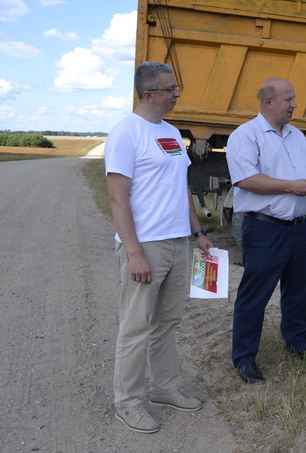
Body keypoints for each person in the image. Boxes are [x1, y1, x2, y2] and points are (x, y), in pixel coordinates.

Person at [105, 61, 214, 433]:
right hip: (146, 246)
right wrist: (133, 251)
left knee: (168, 323)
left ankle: (165, 389)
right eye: (171, 89)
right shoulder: (126, 134)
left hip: (178, 243)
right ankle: (128, 403)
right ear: (149, 94)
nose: (177, 94)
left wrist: (197, 232)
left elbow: (179, 186)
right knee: (136, 327)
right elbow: (118, 200)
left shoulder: (170, 133)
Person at [226, 77, 306, 384]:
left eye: (293, 99)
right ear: (268, 102)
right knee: (255, 295)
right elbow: (246, 180)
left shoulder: (296, 135)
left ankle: (297, 341)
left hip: (297, 229)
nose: (294, 105)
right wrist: (291, 187)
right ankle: (245, 358)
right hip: (265, 229)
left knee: (298, 290)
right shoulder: (245, 136)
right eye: (289, 99)